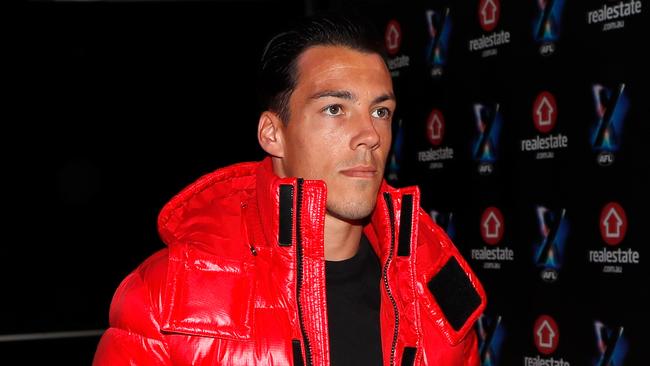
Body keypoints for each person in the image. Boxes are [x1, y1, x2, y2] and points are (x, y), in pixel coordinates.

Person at [93, 13, 486, 366]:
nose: (369, 135)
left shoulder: (434, 290)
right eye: (335, 109)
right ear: (273, 134)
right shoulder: (166, 296)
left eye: (380, 111)